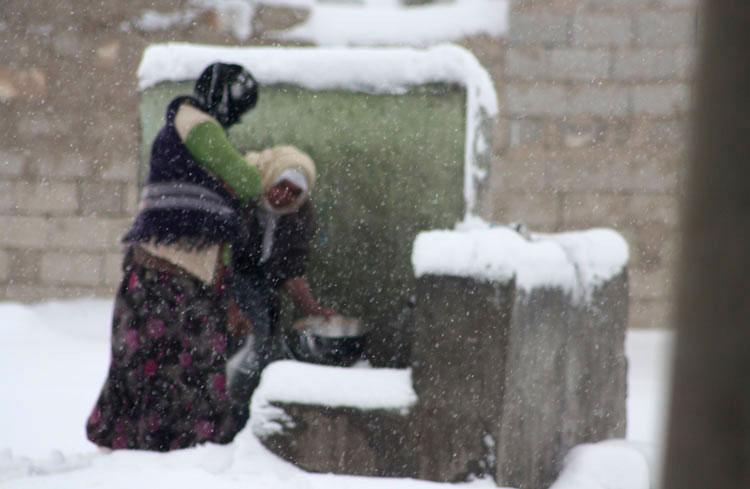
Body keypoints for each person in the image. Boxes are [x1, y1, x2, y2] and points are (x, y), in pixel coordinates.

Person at [86, 62, 263, 451]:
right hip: (174, 276)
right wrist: (250, 168)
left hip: (154, 271)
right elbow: (248, 183)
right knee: (191, 368)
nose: (239, 117)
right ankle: (178, 451)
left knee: (142, 363)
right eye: (240, 105)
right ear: (224, 98)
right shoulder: (199, 126)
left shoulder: (179, 128)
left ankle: (136, 444)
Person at [226, 145, 337, 403]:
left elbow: (291, 268)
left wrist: (312, 308)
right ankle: (226, 411)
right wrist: (231, 307)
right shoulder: (241, 197)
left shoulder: (299, 214)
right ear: (270, 176)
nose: (285, 195)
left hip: (261, 285)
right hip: (226, 280)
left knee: (265, 350)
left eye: (294, 192)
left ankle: (246, 410)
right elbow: (221, 259)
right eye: (281, 185)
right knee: (241, 346)